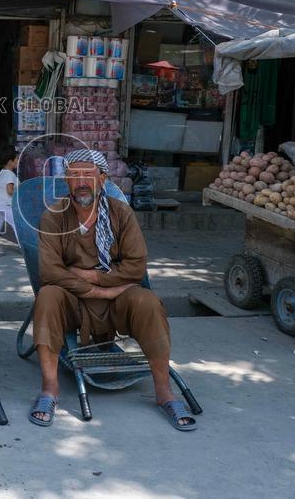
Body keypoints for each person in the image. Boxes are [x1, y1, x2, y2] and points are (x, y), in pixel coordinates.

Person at [29, 149, 196, 431]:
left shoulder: (121, 213)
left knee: (148, 302)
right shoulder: (54, 217)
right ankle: (49, 389)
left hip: (117, 298)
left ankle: (164, 392)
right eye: (74, 175)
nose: (81, 181)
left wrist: (92, 276)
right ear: (66, 181)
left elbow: (136, 266)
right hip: (74, 300)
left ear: (102, 179)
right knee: (47, 296)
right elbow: (49, 271)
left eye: (88, 174)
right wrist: (96, 290)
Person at [0, 150, 20, 256]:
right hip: (6, 205)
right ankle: (23, 248)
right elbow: (10, 191)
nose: (18, 161)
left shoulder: (2, 172)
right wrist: (20, 191)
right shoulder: (10, 175)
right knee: (17, 225)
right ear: (10, 161)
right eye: (17, 159)